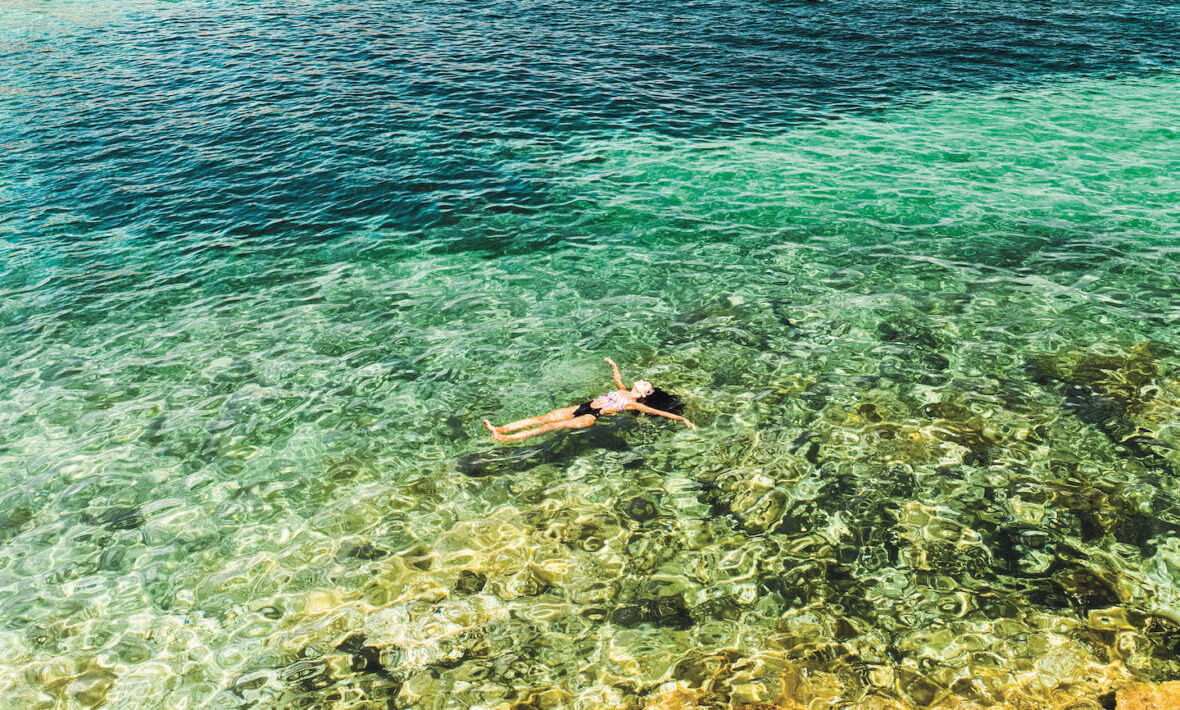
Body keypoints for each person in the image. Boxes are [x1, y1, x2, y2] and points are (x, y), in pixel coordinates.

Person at [483, 358, 696, 441]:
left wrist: (682, 420)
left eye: (645, 385)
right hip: (582, 407)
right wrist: (613, 365)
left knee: (550, 426)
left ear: (643, 394)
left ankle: (506, 438)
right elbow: (618, 379)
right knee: (542, 417)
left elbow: (658, 412)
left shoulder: (633, 403)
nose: (642, 381)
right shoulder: (623, 390)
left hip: (591, 416)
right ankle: (500, 429)